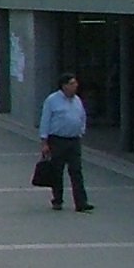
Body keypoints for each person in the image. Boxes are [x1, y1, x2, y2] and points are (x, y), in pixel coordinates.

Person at [37, 71, 92, 211]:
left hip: (74, 140)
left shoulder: (77, 100)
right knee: (57, 170)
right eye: (72, 84)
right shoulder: (52, 100)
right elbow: (45, 120)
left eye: (76, 83)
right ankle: (57, 199)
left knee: (76, 171)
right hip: (57, 140)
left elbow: (82, 116)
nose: (76, 86)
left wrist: (81, 131)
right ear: (64, 86)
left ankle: (81, 202)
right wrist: (44, 142)